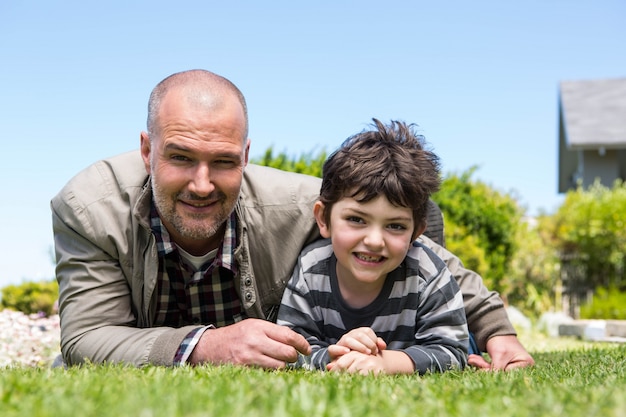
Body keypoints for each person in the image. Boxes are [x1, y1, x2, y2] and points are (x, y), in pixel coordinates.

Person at [51, 69, 534, 370]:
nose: (202, 183)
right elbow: (86, 338)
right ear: (146, 150)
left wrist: (496, 330)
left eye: (222, 161)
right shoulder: (87, 209)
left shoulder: (300, 205)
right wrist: (207, 347)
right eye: (180, 157)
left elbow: (418, 220)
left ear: (244, 156)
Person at [277, 119, 469, 375]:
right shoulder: (311, 269)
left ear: (416, 233)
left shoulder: (427, 274)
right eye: (356, 219)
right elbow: (291, 349)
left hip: (429, 343)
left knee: (473, 346)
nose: (375, 241)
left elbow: (453, 352)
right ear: (323, 219)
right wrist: (337, 354)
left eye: (396, 226)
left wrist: (388, 363)